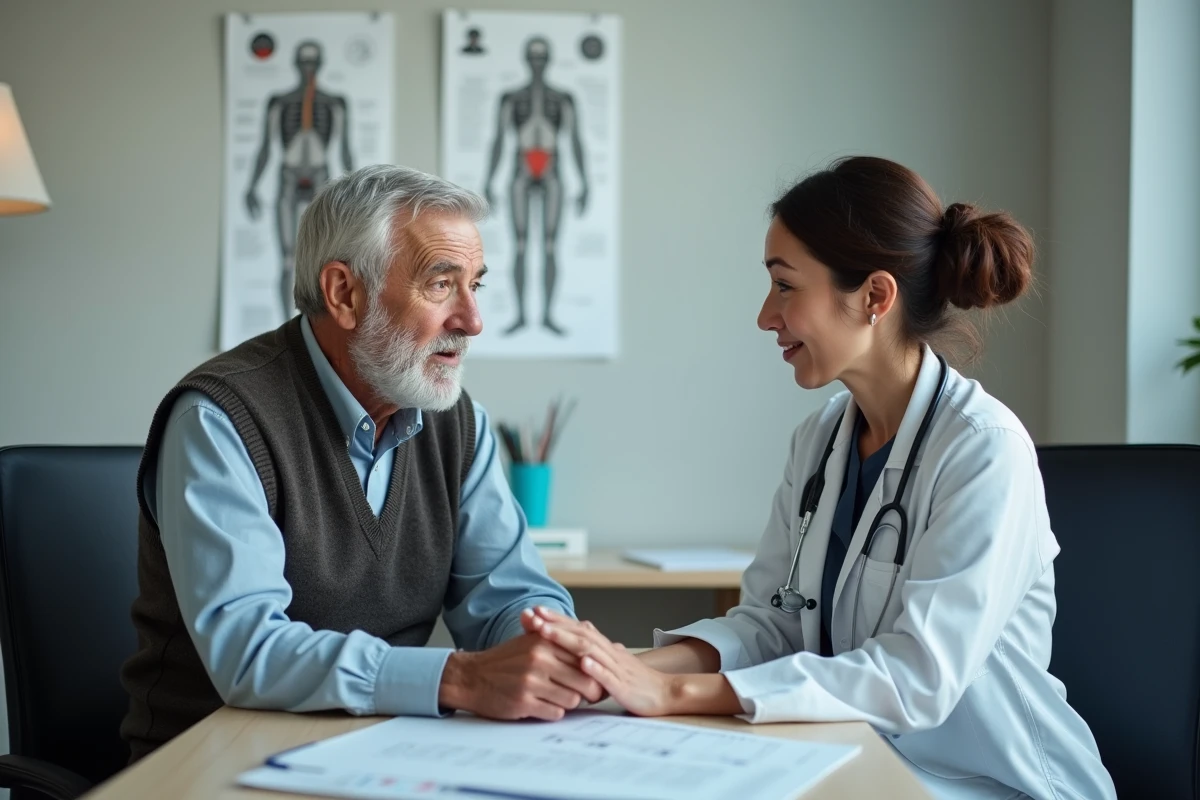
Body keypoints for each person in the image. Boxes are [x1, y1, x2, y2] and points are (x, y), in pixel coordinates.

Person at [522, 157, 1117, 800]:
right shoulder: (822, 439)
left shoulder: (983, 452)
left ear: (874, 297)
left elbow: (916, 677)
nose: (764, 316)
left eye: (785, 286)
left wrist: (670, 692)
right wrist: (618, 667)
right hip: (858, 758)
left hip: (988, 781)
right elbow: (770, 627)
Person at [120, 165, 602, 762]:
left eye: (475, 285)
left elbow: (508, 595)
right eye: (440, 284)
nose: (472, 321)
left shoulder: (456, 422)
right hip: (209, 763)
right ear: (344, 293)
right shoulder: (220, 418)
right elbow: (249, 653)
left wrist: (548, 645)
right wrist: (461, 678)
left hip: (382, 752)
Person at [482, 36, 588, 337]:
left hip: (553, 168)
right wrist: (488, 181)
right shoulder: (511, 98)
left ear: (549, 60)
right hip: (522, 167)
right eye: (534, 56)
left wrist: (585, 183)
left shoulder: (564, 98)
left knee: (551, 246)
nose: (538, 63)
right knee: (520, 246)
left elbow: (576, 140)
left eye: (542, 57)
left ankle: (547, 316)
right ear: (527, 59)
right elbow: (499, 141)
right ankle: (520, 315)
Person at [244, 40, 353, 318]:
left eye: (313, 63)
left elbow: (345, 150)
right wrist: (252, 185)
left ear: (320, 65)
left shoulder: (336, 103)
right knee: (287, 260)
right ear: (296, 64)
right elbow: (266, 147)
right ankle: (285, 326)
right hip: (288, 176)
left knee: (324, 261)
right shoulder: (279, 102)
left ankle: (317, 326)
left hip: (321, 178)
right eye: (304, 63)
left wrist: (355, 193)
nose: (308, 69)